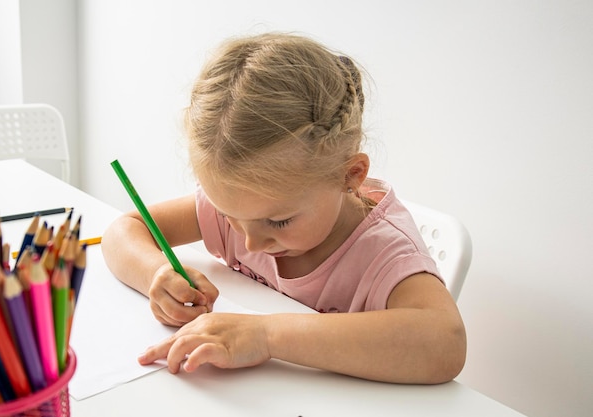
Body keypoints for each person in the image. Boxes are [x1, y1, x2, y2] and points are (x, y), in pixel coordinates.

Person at [101, 32, 466, 384]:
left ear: (350, 176)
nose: (251, 242)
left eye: (278, 222)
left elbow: (445, 343)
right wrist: (156, 274)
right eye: (228, 216)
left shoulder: (384, 252)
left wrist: (266, 335)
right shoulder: (248, 209)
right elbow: (123, 231)